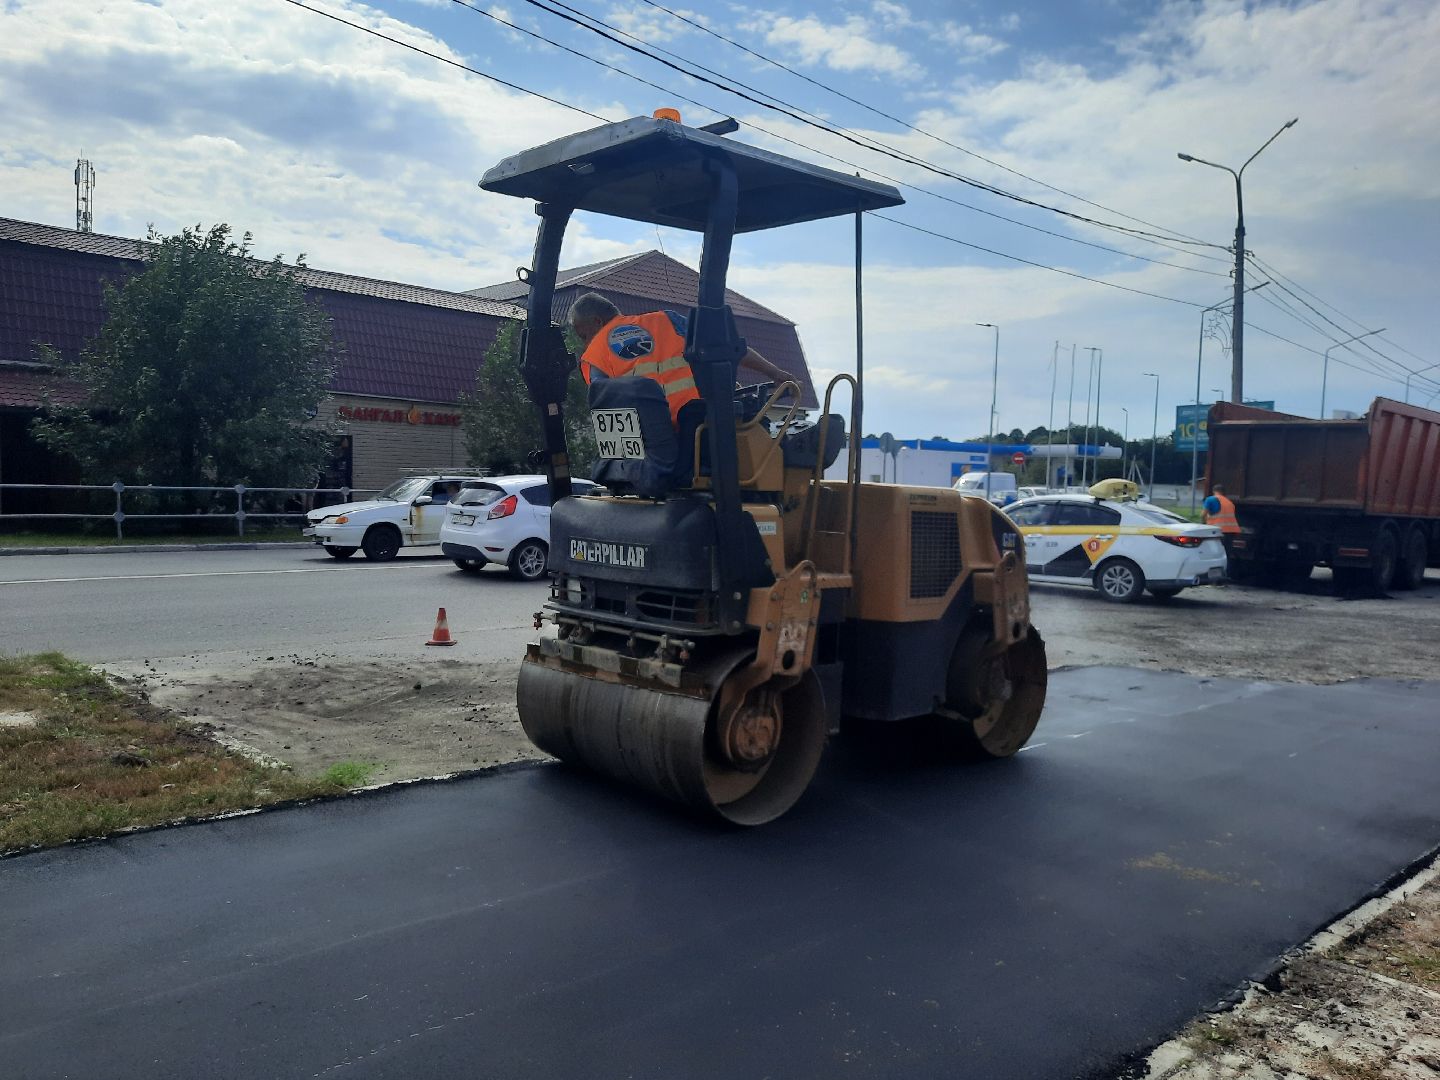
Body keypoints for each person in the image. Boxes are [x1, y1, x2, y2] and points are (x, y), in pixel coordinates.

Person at [567, 292, 796, 428]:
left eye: (584, 336)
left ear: (597, 321)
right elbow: (725, 347)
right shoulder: (667, 320)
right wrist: (774, 373)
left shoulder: (594, 355)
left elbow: (606, 411)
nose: (586, 343)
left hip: (657, 443)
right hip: (702, 425)